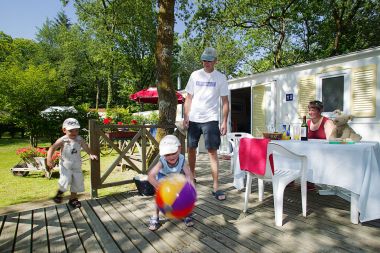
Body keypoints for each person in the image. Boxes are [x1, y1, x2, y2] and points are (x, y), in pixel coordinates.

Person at [183, 47, 229, 201]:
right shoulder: (195, 75)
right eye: (204, 59)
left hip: (211, 119)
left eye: (210, 60)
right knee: (191, 149)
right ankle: (192, 177)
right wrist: (186, 116)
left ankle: (216, 186)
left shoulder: (221, 78)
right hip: (194, 119)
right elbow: (188, 98)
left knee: (212, 152)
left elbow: (225, 102)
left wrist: (224, 121)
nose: (206, 62)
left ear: (215, 61)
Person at [47, 118, 98, 208]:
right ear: (64, 130)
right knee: (65, 180)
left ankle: (73, 199)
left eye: (76, 130)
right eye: (71, 131)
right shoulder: (63, 140)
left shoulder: (79, 139)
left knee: (77, 182)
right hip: (66, 166)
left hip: (76, 165)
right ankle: (59, 194)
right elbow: (52, 148)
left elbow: (86, 147)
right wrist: (49, 159)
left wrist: (91, 154)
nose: (74, 133)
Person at [147, 135, 194, 231]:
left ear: (179, 149)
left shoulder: (182, 159)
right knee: (158, 197)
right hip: (163, 179)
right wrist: (157, 186)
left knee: (184, 195)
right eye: (167, 154)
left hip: (175, 178)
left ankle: (185, 213)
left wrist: (190, 186)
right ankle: (155, 216)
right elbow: (151, 176)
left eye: (173, 153)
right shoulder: (162, 161)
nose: (171, 157)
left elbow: (188, 174)